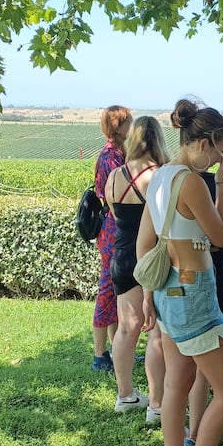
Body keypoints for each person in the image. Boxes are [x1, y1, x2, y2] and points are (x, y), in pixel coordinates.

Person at [137, 98, 223, 446]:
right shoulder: (193, 182)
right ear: (203, 143)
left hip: (167, 291)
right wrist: (222, 183)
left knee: (176, 387)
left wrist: (148, 297)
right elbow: (222, 238)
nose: (220, 159)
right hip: (194, 293)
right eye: (219, 151)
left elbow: (145, 243)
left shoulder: (159, 176)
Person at [105, 116, 169, 422]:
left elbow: (114, 213)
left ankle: (126, 395)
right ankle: (157, 404)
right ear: (158, 140)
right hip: (151, 258)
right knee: (156, 332)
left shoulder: (115, 176)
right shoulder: (160, 176)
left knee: (126, 329)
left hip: (120, 257)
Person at [184, 169, 223, 446]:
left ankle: (190, 433)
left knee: (185, 369)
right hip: (213, 274)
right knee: (206, 367)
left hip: (181, 276)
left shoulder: (176, 182)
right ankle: (195, 433)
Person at [92, 105, 132, 372]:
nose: (132, 127)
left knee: (114, 291)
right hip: (112, 229)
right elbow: (118, 195)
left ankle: (116, 350)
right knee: (107, 291)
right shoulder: (111, 157)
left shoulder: (116, 153)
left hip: (113, 227)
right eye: (129, 122)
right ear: (119, 126)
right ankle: (99, 355)